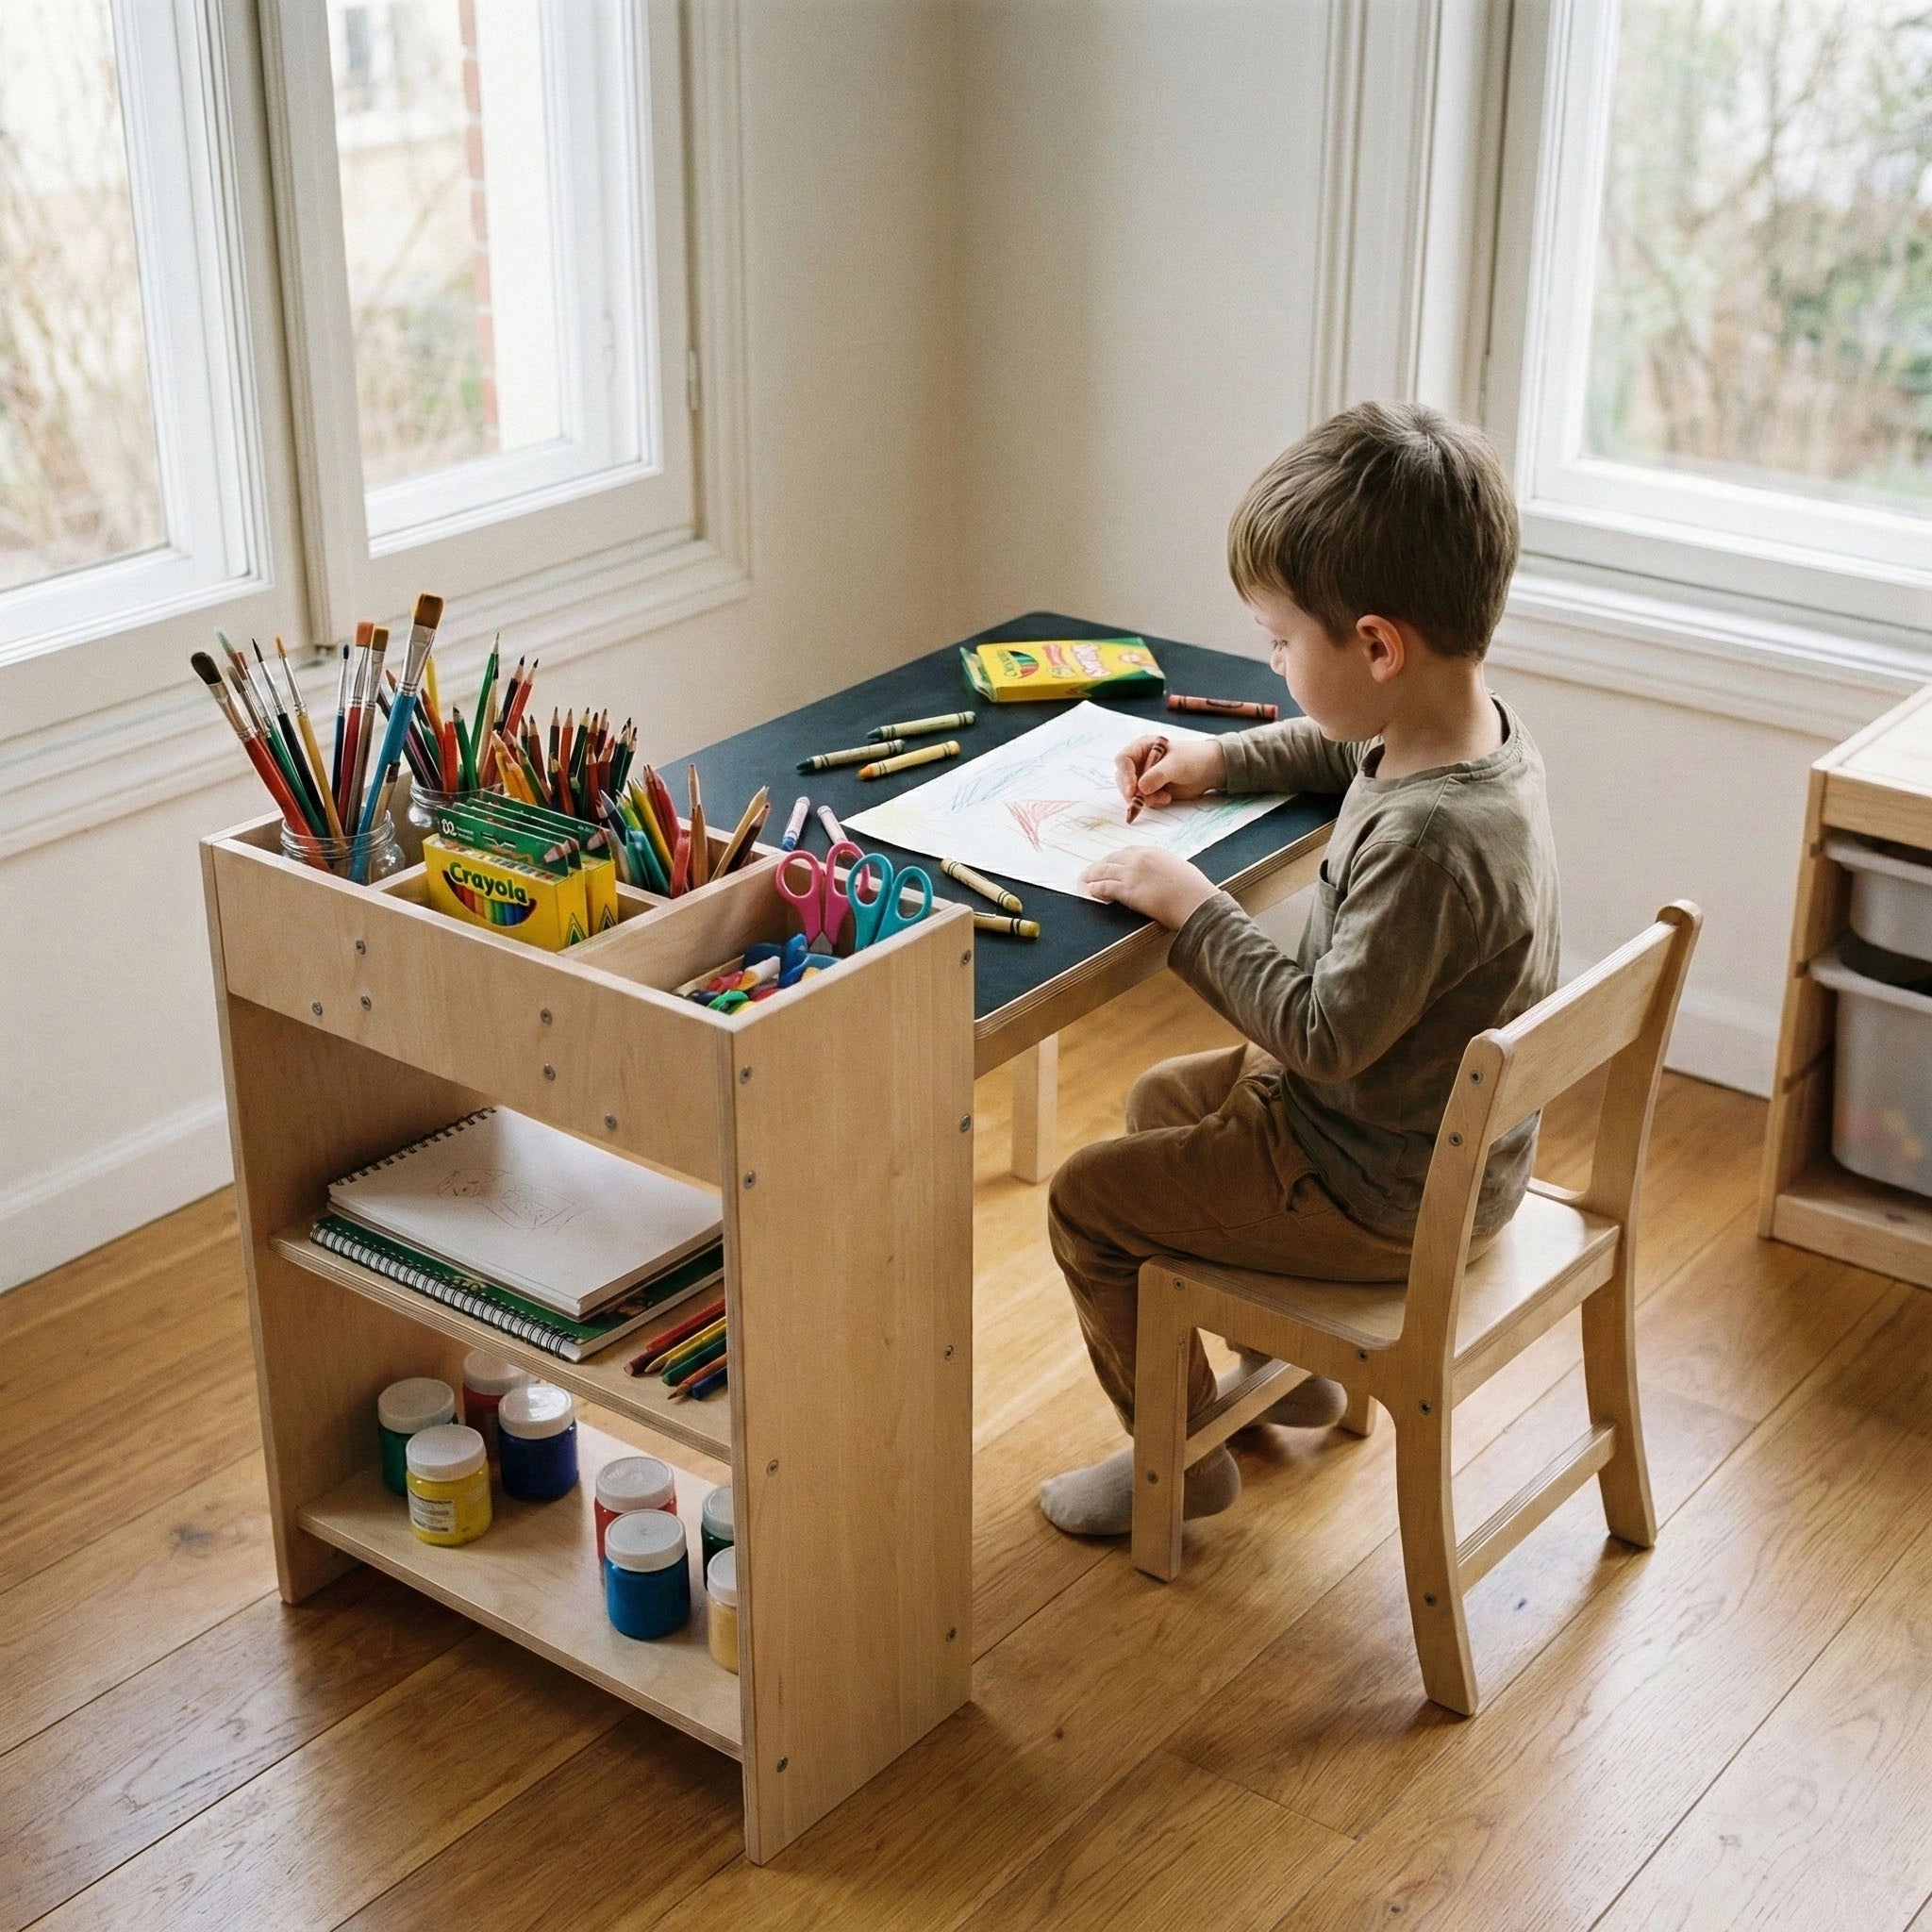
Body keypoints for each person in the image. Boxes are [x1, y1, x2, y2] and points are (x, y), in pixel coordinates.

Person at [1039, 401, 1559, 1538]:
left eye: (1279, 641)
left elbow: (1319, 1033)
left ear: (1375, 645)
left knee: (1088, 1199)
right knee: (1159, 1102)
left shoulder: (1430, 842)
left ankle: (1178, 1464)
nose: (1271, 659)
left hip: (1379, 1184)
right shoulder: (1461, 732)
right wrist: (1218, 756)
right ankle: (1289, 1360)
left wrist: (1192, 910)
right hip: (1417, 1138)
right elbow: (1343, 745)